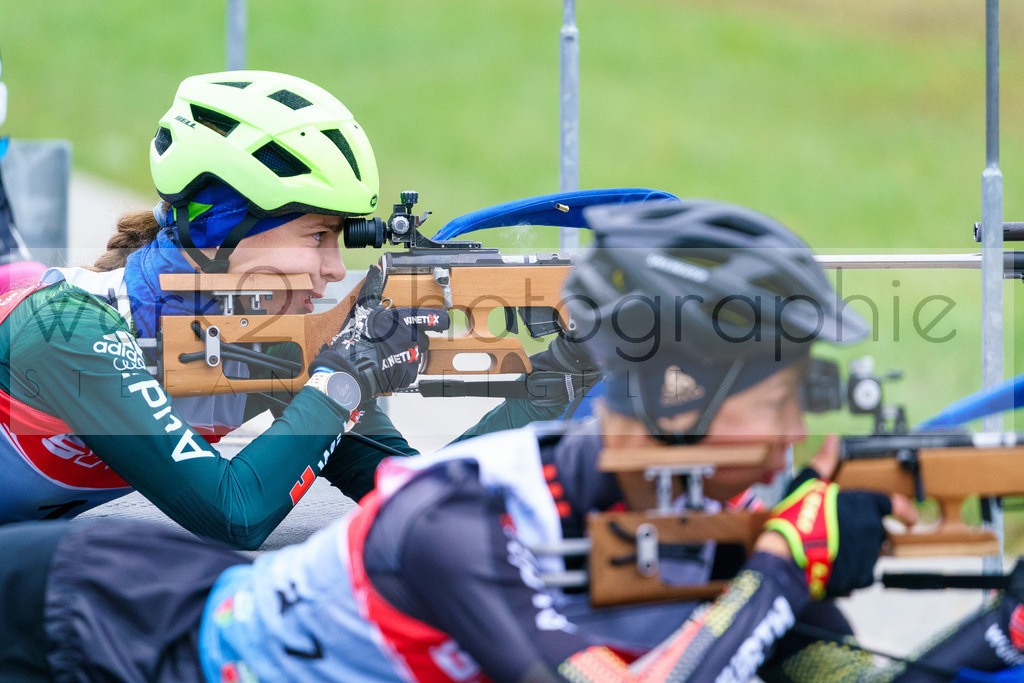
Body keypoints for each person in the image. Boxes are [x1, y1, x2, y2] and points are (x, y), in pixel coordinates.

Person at [1, 199, 1019, 682]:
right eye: (773, 397)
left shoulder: (696, 513)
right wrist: (772, 577)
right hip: (99, 626)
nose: (796, 433)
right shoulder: (460, 524)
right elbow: (254, 504)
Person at [0, 70, 589, 548]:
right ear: (220, 229)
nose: (335, 270)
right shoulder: (67, 330)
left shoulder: (262, 340)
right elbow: (234, 513)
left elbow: (421, 501)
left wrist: (566, 374)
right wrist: (348, 378)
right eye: (317, 237)